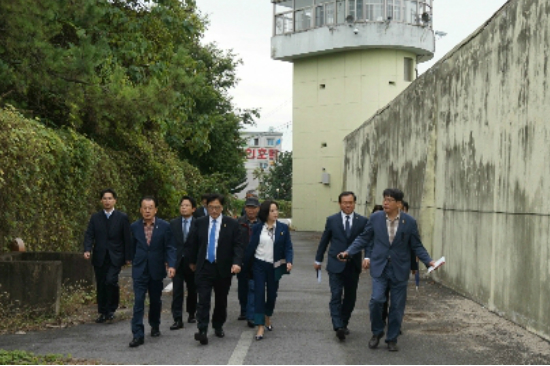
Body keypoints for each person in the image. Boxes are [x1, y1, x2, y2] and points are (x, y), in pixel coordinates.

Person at [339, 188, 436, 352]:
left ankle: (392, 338)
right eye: (384, 199)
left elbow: (416, 245)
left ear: (399, 203)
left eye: (390, 200)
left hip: (400, 269)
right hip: (380, 267)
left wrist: (429, 261)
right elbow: (364, 237)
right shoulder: (376, 218)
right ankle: (377, 332)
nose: (385, 202)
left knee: (397, 306)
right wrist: (348, 251)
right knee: (376, 300)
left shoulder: (409, 222)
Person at [185, 194, 244, 345]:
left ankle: (218, 325)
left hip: (223, 268)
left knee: (221, 300)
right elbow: (192, 243)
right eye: (211, 207)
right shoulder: (200, 222)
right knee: (203, 300)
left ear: (222, 208)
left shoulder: (231, 224)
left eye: (217, 207)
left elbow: (238, 245)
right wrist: (191, 262)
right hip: (204, 266)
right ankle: (202, 329)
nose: (214, 210)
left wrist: (237, 262)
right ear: (207, 207)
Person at [314, 191, 368, 341]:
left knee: (350, 297)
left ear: (354, 203)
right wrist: (318, 260)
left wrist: (367, 257)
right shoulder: (332, 220)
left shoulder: (362, 221)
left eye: (350, 202)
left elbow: (367, 241)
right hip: (335, 265)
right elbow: (324, 241)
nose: (348, 205)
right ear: (340, 204)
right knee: (336, 295)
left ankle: (344, 323)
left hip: (353, 265)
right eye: (345, 203)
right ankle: (337, 325)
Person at [129, 196, 176, 347]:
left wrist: (171, 265)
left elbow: (170, 247)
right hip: (140, 269)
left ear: (156, 209)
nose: (147, 210)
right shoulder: (134, 227)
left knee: (155, 300)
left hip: (156, 269)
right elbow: (131, 246)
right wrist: (130, 259)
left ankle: (155, 324)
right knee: (138, 301)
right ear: (140, 210)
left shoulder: (164, 226)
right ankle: (137, 334)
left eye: (150, 208)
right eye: (145, 208)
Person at [243, 200, 293, 341]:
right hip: (259, 265)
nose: (275, 213)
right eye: (272, 211)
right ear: (266, 213)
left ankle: (267, 317)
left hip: (274, 266)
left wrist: (289, 261)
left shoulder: (283, 228)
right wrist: (243, 265)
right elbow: (251, 246)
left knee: (272, 294)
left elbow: (288, 247)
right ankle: (260, 326)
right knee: (259, 293)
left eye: (276, 210)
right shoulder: (258, 228)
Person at [83, 188, 131, 324]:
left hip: (116, 256)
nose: (107, 201)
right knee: (101, 284)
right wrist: (87, 249)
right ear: (101, 201)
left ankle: (111, 308)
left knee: (111, 281)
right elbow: (89, 235)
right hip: (100, 255)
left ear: (115, 200)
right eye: (105, 198)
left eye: (110, 198)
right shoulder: (95, 218)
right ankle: (103, 312)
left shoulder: (122, 217)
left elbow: (127, 238)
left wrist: (128, 256)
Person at [169, 196, 198, 331]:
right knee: (177, 291)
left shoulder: (198, 224)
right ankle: (177, 318)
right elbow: (170, 244)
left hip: (192, 263)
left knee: (192, 289)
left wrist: (196, 261)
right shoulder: (173, 223)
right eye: (182, 205)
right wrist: (170, 263)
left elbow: (200, 244)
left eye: (187, 205)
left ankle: (192, 313)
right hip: (177, 261)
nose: (184, 208)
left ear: (193, 209)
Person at [237, 197, 260, 327]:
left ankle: (253, 310)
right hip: (242, 259)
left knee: (255, 285)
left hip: (257, 259)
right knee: (243, 286)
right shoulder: (239, 223)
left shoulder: (262, 223)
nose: (251, 210)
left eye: (254, 208)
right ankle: (244, 309)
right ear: (245, 208)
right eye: (249, 207)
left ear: (258, 209)